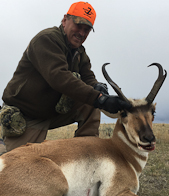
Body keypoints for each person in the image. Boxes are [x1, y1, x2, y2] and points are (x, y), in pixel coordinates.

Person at [0, 1, 131, 153]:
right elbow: (59, 77)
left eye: (87, 29)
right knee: (20, 166)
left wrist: (98, 88)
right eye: (78, 25)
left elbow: (88, 77)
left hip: (50, 111)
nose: (82, 33)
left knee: (92, 102)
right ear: (64, 20)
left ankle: (87, 155)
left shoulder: (79, 52)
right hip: (26, 116)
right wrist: (99, 98)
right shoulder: (46, 40)